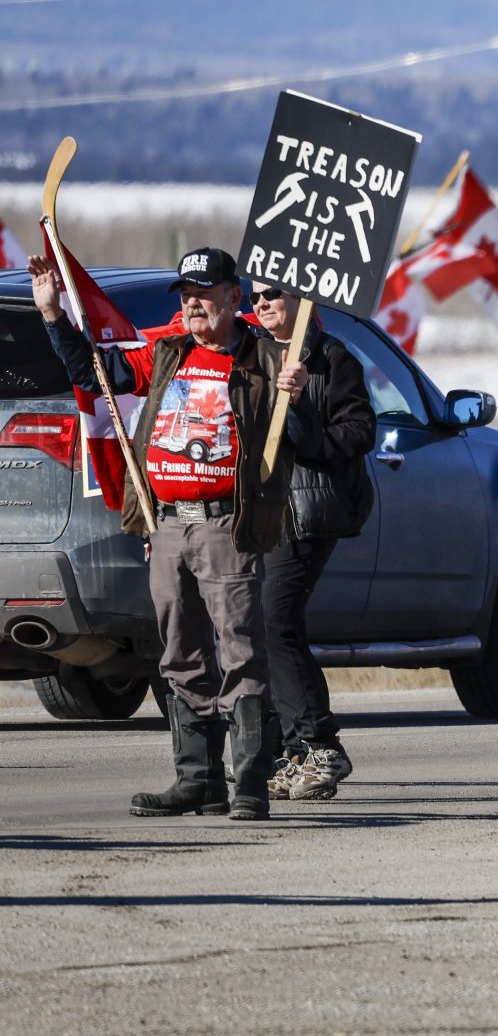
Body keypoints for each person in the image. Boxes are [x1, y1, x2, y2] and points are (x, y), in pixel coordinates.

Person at [33, 247, 303, 820]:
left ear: (235, 296)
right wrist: (54, 315)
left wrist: (298, 394)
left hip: (227, 527)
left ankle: (250, 781)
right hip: (168, 525)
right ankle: (197, 781)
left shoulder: (267, 359)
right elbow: (95, 375)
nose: (193, 302)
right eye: (186, 293)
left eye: (205, 292)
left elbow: (307, 433)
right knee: (179, 653)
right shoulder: (167, 353)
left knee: (241, 649)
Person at [251, 287, 376, 804]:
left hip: (307, 509)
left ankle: (321, 744)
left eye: (272, 295)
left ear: (302, 302)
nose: (261, 305)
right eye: (254, 297)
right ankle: (292, 750)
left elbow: (359, 433)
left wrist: (299, 410)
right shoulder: (250, 353)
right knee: (258, 626)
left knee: (275, 618)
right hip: (253, 508)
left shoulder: (333, 358)